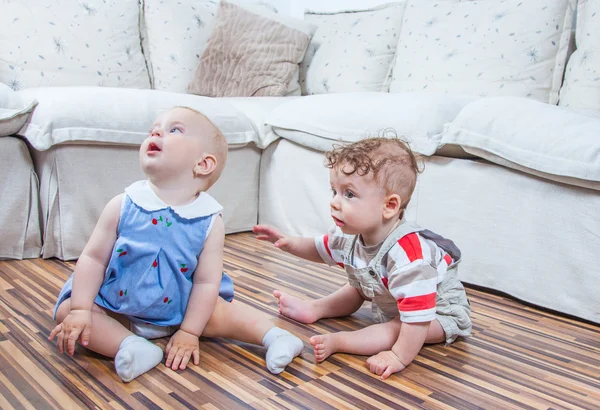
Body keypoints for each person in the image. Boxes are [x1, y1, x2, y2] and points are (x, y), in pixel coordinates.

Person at [49, 106, 303, 382]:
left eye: (174, 129)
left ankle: (275, 337)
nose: (156, 132)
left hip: (180, 308)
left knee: (219, 311)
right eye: (154, 129)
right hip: (117, 304)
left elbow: (207, 283)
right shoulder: (123, 204)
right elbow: (93, 259)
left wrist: (189, 332)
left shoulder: (208, 221)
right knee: (67, 312)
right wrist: (81, 310)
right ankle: (131, 346)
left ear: (203, 164)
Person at [253, 137, 471, 380]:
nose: (334, 202)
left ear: (389, 206)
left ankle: (342, 341)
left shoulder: (409, 255)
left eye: (349, 194)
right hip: (397, 301)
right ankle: (316, 308)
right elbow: (320, 248)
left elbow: (417, 320)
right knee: (357, 285)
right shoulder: (352, 236)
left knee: (395, 329)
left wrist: (398, 356)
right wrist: (288, 243)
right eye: (334, 191)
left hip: (436, 314)